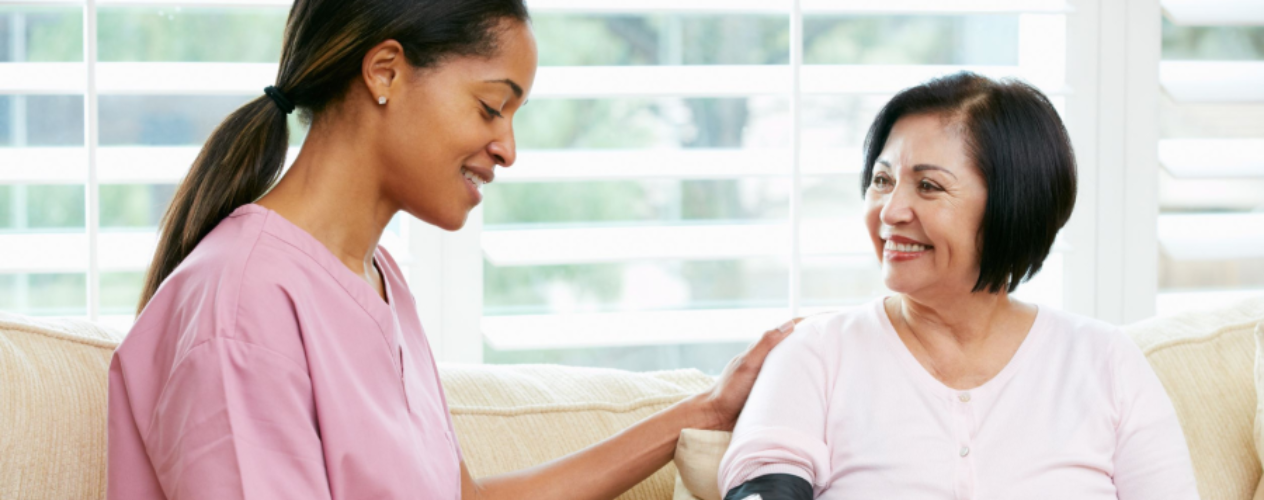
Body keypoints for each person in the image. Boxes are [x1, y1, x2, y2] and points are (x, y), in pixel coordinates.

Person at [106, 1, 797, 498]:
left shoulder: (379, 281)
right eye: (491, 107)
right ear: (385, 72)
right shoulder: (243, 302)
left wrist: (703, 412)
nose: (508, 148)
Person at [718, 73, 1199, 500]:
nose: (890, 212)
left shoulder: (1105, 362)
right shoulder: (816, 354)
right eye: (882, 180)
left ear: (1013, 205)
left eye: (928, 187)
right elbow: (765, 486)